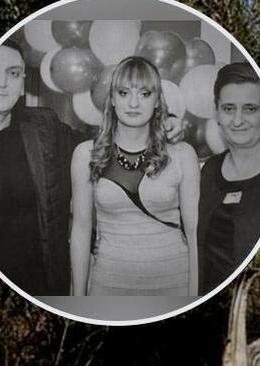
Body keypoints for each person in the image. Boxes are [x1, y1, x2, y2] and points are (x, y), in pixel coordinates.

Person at [0, 39, 81, 296]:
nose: (2, 82)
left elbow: (104, 146)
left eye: (13, 73)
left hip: (39, 298)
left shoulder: (45, 128)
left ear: (22, 85)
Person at [70, 56, 200, 297]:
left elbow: (195, 235)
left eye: (144, 93)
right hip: (107, 286)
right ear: (112, 99)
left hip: (175, 284)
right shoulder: (86, 154)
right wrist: (77, 299)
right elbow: (80, 230)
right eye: (123, 93)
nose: (133, 103)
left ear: (157, 101)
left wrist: (194, 300)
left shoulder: (183, 155)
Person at [197, 63, 260, 294]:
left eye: (250, 109)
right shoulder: (209, 171)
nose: (237, 120)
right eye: (228, 108)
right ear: (216, 113)